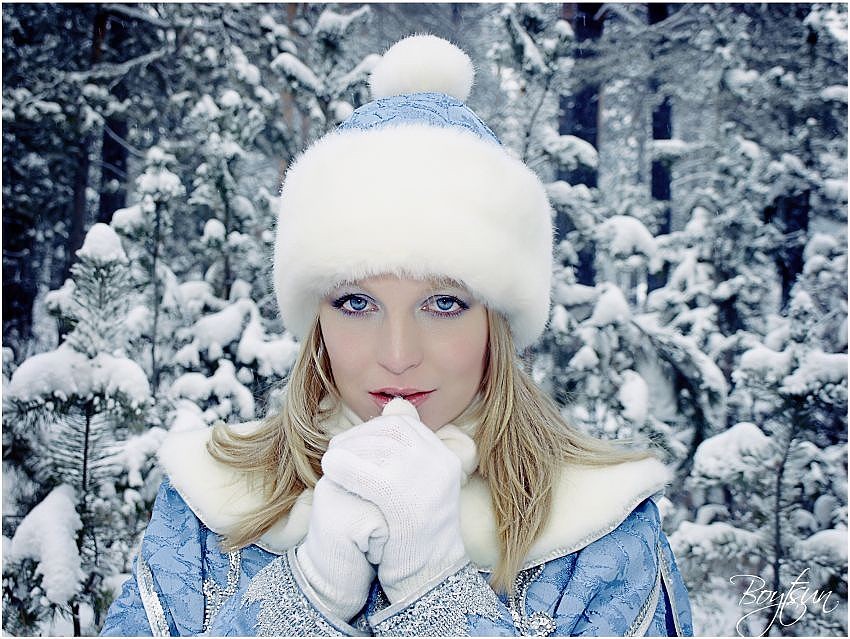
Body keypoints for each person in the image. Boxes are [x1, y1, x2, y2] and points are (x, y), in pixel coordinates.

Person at [102, 34, 693, 637]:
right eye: (357, 303)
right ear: (316, 320)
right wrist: (303, 600)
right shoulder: (210, 505)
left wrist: (437, 598)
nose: (398, 355)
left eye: (444, 304)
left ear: (497, 322)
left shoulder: (601, 530)